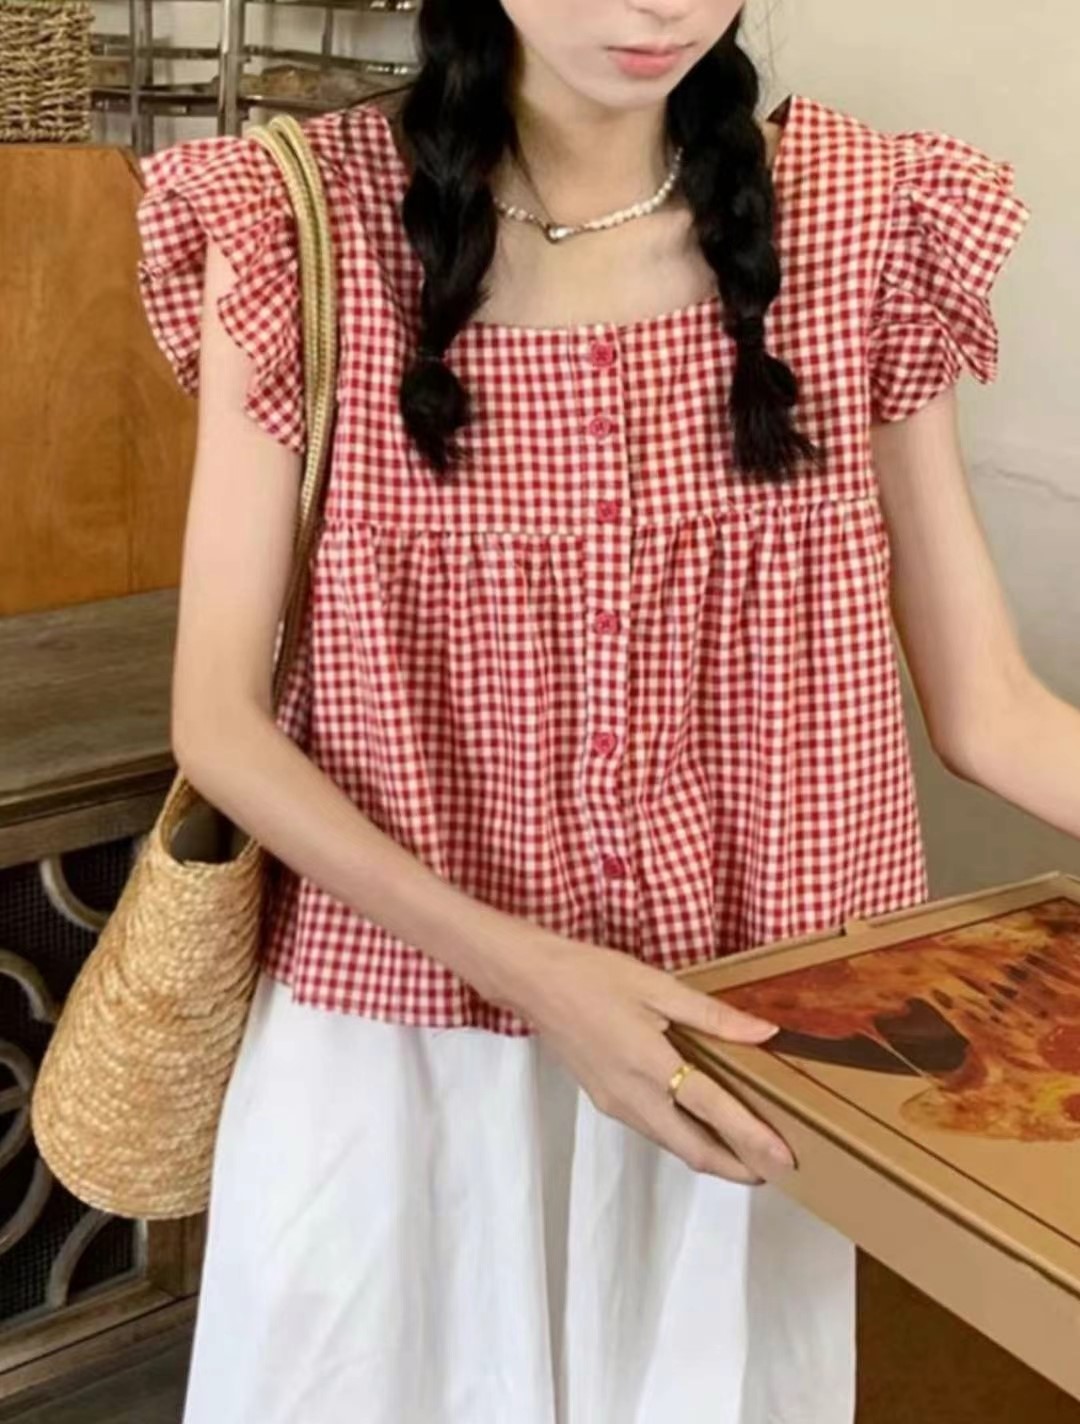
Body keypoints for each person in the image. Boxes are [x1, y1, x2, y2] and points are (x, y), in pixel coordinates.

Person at [132, 1, 1036, 1420]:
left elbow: (989, 713)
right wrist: (540, 980)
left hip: (740, 1051)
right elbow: (220, 723)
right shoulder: (297, 224)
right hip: (405, 1051)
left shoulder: (867, 222)